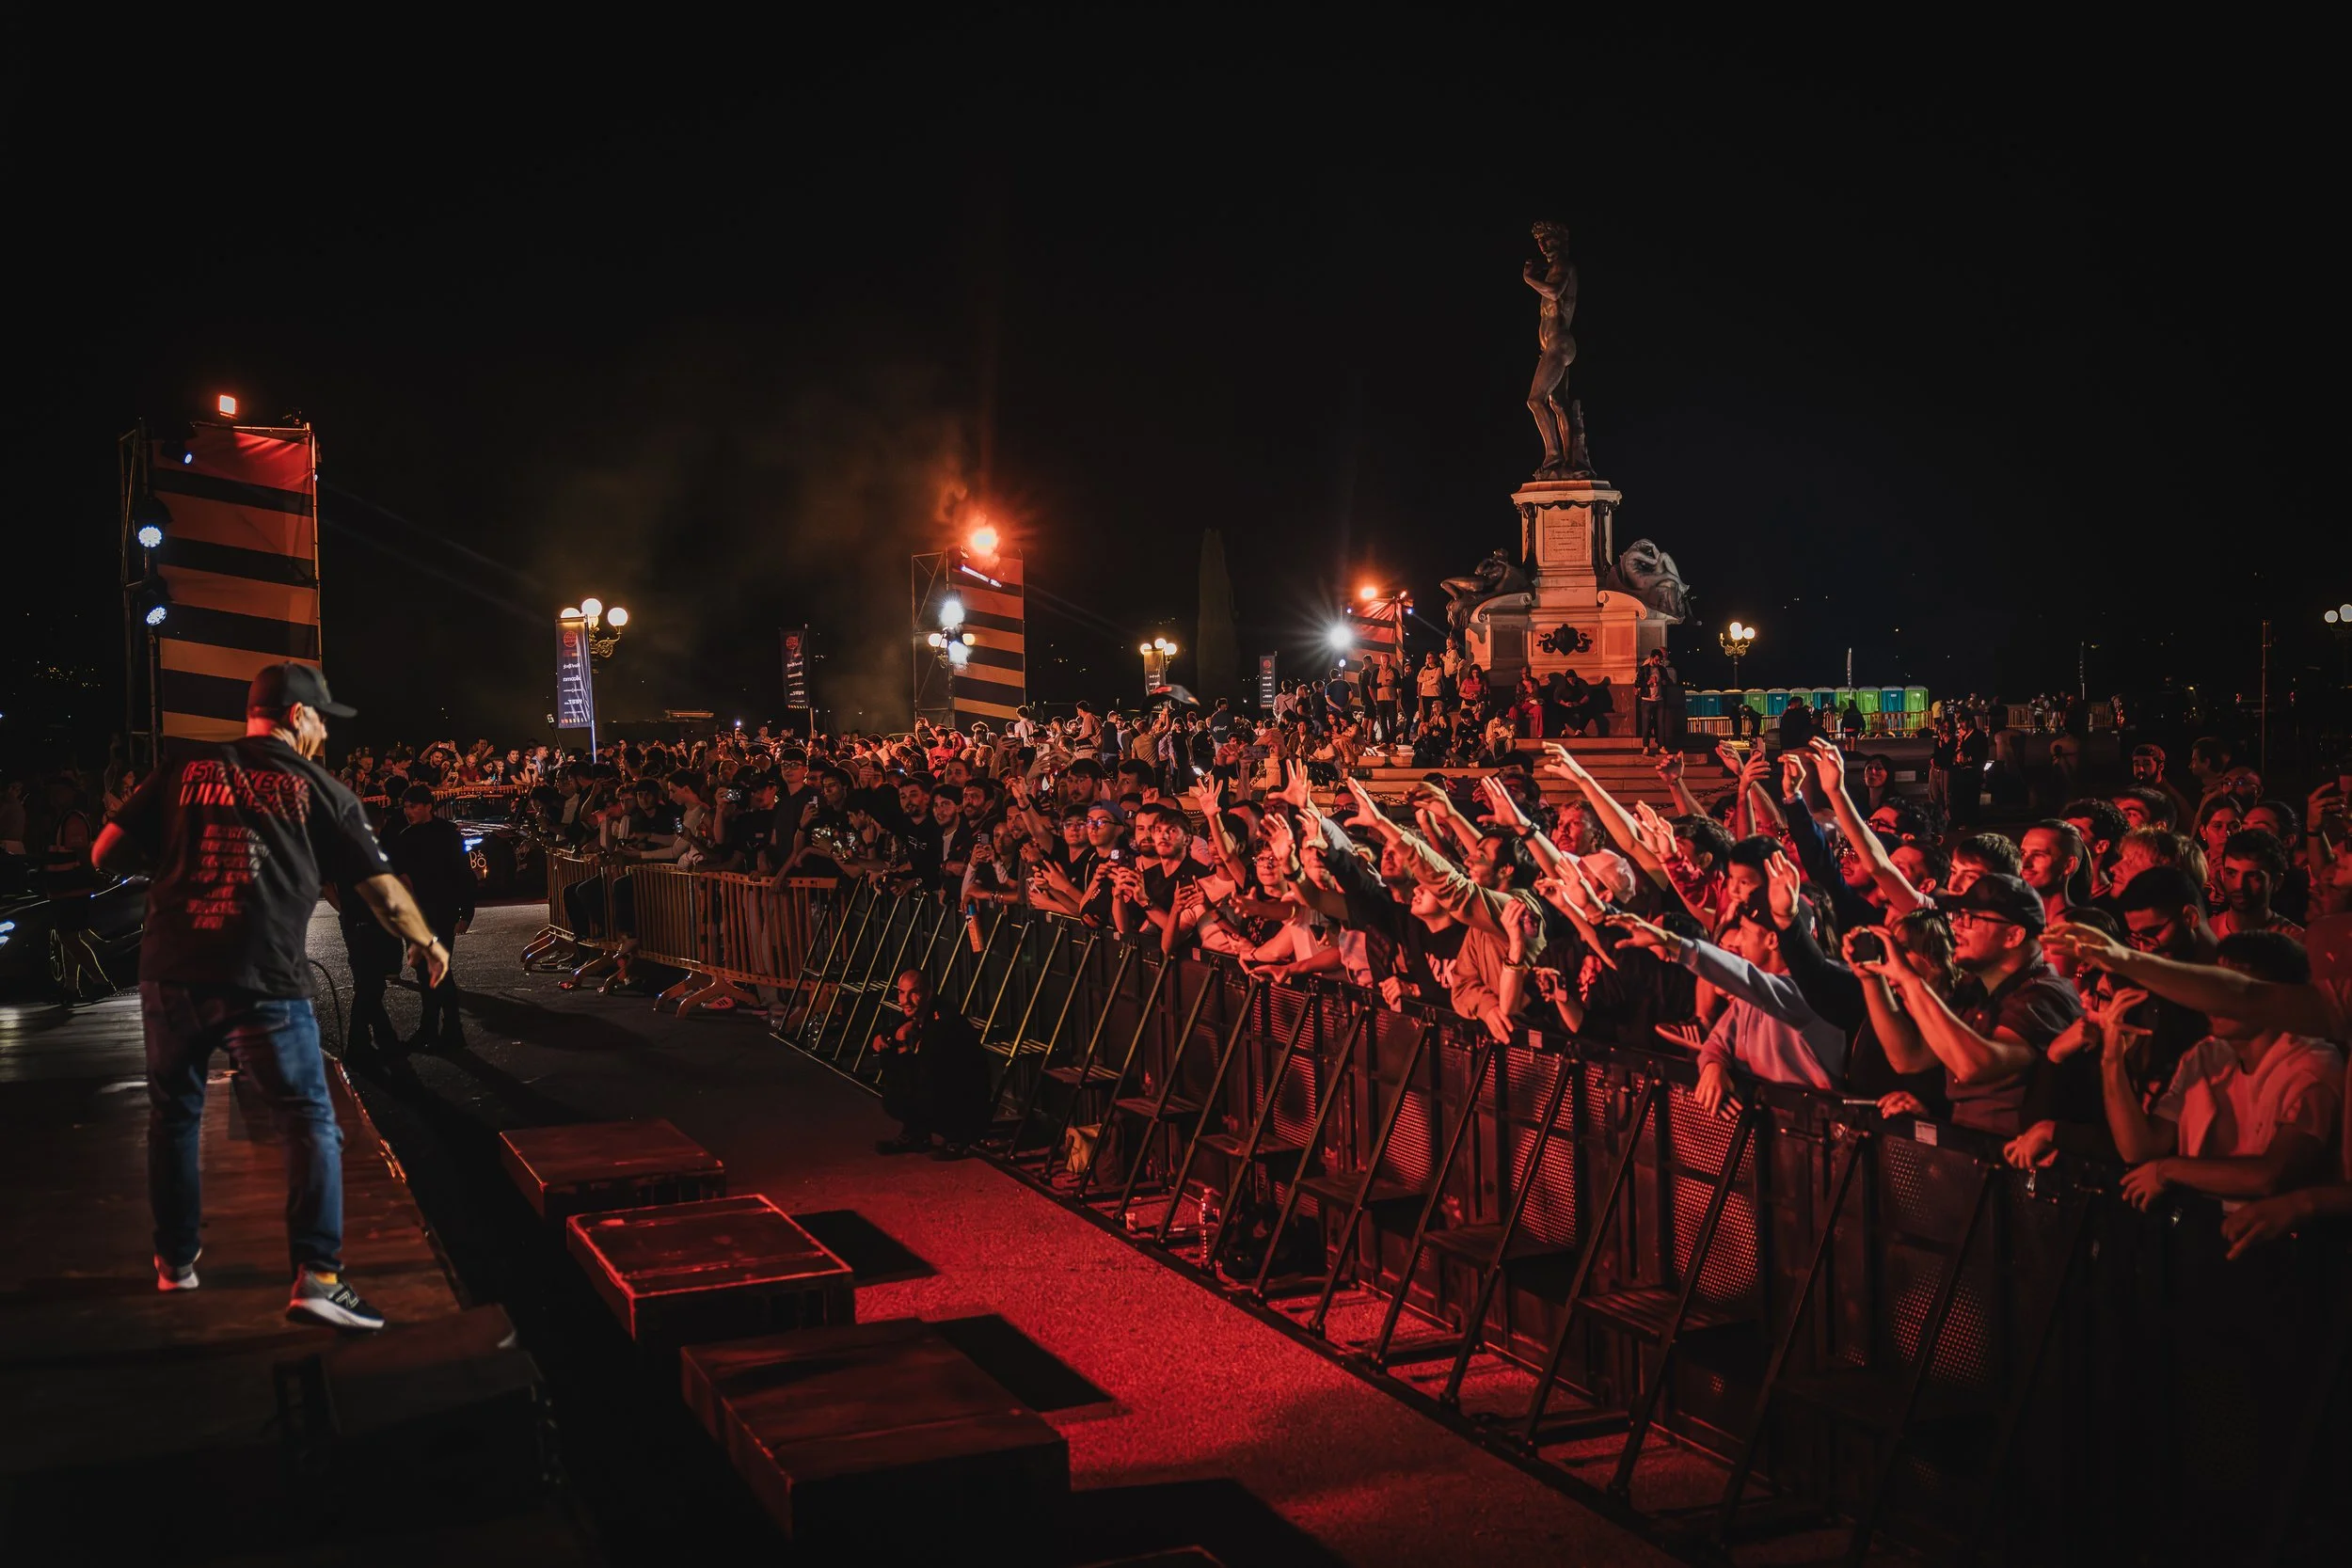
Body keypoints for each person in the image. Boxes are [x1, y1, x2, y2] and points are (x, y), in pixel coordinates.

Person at [92, 663, 450, 1332]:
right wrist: (429, 943)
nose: (323, 734)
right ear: (295, 716)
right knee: (308, 1119)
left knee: (174, 1117)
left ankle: (174, 1262)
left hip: (171, 968)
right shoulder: (323, 790)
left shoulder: (185, 768)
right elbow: (384, 892)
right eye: (320, 720)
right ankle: (317, 1277)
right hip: (261, 977)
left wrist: (179, 861)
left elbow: (105, 851)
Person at [2096, 931, 2341, 1211]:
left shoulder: (2313, 1063)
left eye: (2229, 987)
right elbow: (2139, 1148)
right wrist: (2111, 1058)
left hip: (2273, 1244)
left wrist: (2169, 1170)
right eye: (2212, 984)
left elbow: (2270, 1176)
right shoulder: (2206, 1055)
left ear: (2273, 997)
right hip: (2200, 1232)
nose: (2214, 998)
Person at [386, 782, 475, 1050]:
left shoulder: (448, 835)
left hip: (442, 910)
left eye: (413, 806)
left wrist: (465, 913)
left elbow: (463, 875)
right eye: (406, 806)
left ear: (428, 807)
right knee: (425, 974)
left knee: (438, 971)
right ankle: (437, 1029)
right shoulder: (404, 837)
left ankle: (446, 1029)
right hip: (417, 913)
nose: (408, 811)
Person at [871, 967, 989, 1157]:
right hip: (935, 1084)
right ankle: (916, 1134)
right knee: (895, 1092)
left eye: (914, 993)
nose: (905, 1001)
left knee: (920, 1088)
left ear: (928, 993)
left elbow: (928, 1074)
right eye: (901, 993)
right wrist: (885, 1038)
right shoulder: (917, 1011)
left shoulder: (944, 1020)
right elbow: (895, 1032)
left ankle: (959, 1137)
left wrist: (901, 1042)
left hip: (965, 1098)